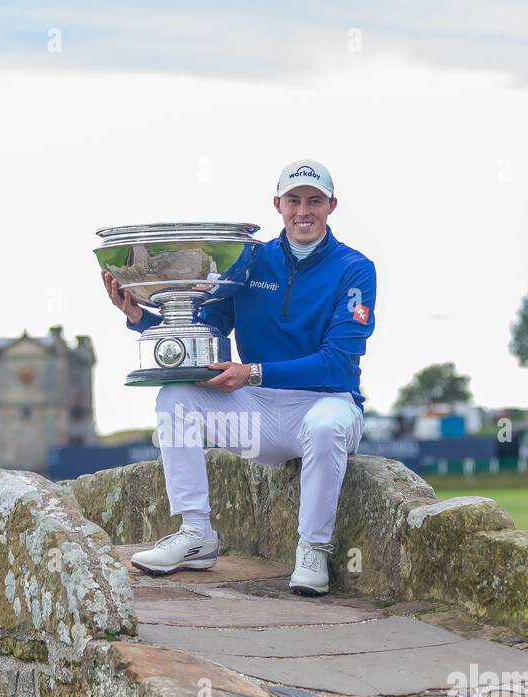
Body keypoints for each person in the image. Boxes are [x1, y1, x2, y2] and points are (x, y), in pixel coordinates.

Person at [100, 159, 376, 596]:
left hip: (326, 404)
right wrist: (139, 316)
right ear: (277, 205)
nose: (303, 211)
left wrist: (252, 373)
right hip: (259, 413)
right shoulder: (250, 261)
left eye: (314, 201)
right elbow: (206, 335)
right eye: (294, 201)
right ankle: (196, 535)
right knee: (176, 397)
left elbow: (339, 362)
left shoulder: (355, 268)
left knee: (325, 426)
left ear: (331, 206)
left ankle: (313, 548)